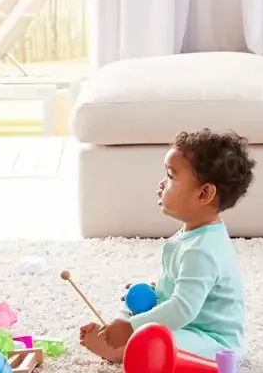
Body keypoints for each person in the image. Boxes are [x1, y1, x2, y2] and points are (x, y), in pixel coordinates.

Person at [78, 128, 254, 363]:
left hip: (213, 342)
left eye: (170, 177)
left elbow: (182, 308)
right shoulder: (192, 234)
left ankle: (126, 349)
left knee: (151, 337)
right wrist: (157, 293)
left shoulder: (202, 249)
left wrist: (131, 327)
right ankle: (123, 344)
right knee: (135, 315)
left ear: (204, 194)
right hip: (191, 326)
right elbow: (183, 291)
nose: (161, 184)